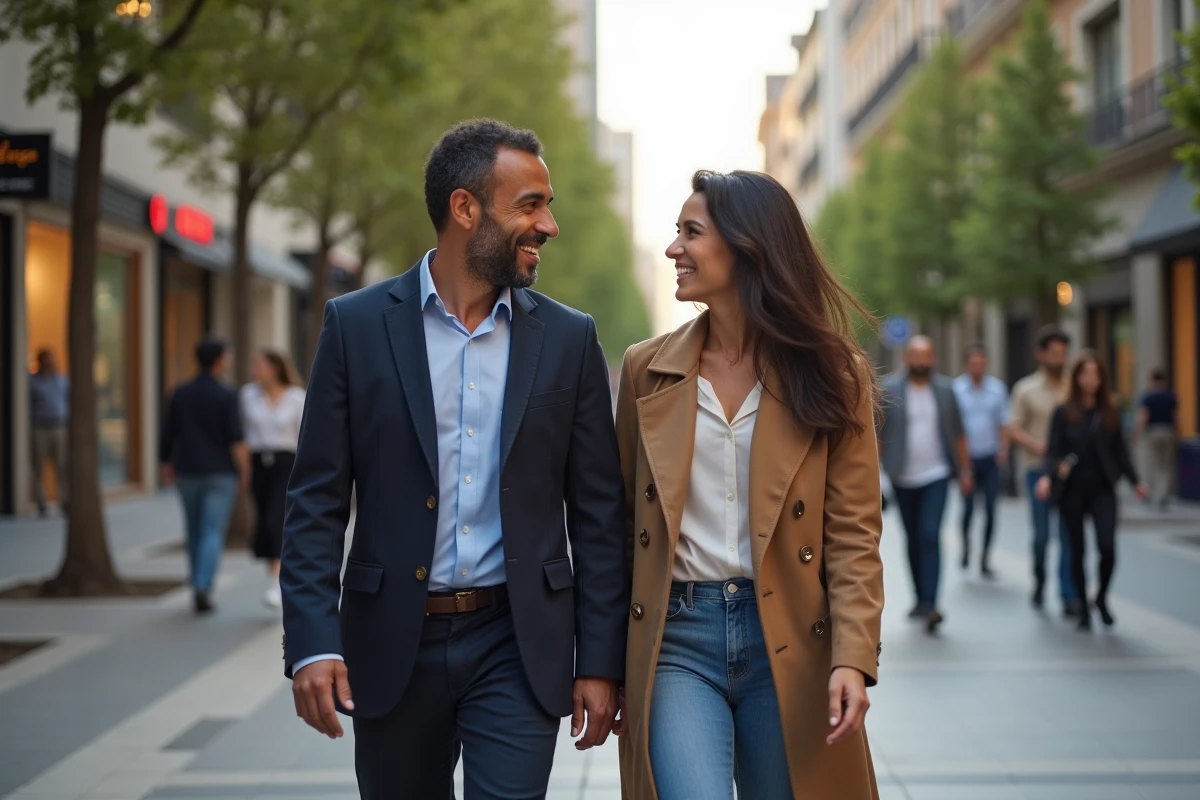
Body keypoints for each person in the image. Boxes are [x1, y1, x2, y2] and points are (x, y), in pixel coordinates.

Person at [281, 119, 628, 799]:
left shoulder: (568, 339)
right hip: (392, 645)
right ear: (465, 209)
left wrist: (600, 661)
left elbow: (598, 515)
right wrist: (314, 642)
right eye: (530, 205)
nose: (549, 225)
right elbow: (315, 499)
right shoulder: (355, 327)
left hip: (518, 641)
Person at [615, 170, 884, 800]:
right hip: (678, 638)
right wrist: (604, 666)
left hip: (790, 637)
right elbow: (621, 528)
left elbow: (852, 534)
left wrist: (853, 656)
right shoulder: (645, 370)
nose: (672, 249)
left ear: (745, 247)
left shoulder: (835, 375)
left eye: (691, 233)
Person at [1036, 351, 1148, 630]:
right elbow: (1053, 451)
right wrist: (1048, 477)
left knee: (1107, 546)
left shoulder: (1110, 410)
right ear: (1076, 378)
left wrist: (1136, 481)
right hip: (1073, 489)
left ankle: (1100, 597)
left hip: (1103, 488)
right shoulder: (1064, 411)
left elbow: (1121, 451)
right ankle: (1083, 609)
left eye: (1095, 374)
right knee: (1076, 550)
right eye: (1085, 373)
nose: (1090, 379)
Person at [879, 336, 971, 634]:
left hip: (937, 474)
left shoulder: (946, 391)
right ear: (907, 358)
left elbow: (958, 433)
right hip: (902, 476)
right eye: (916, 356)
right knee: (913, 537)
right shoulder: (890, 389)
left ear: (933, 358)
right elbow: (878, 435)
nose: (921, 361)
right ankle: (920, 597)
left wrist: (965, 469)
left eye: (926, 356)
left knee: (930, 534)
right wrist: (875, 476)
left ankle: (931, 603)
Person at [159, 337, 249, 614]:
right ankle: (203, 585)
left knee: (194, 530)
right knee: (212, 531)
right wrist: (245, 470)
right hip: (220, 472)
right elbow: (236, 437)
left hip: (187, 470)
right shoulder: (226, 395)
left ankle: (196, 583)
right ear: (220, 360)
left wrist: (165, 462)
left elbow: (168, 432)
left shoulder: (181, 393)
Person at [1010, 327, 1080, 615]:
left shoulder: (1072, 389)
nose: (1060, 358)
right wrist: (1038, 445)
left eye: (1063, 353)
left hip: (1066, 472)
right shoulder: (1025, 390)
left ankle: (1068, 594)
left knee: (1068, 534)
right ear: (1041, 354)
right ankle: (1039, 579)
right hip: (1037, 470)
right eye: (1054, 353)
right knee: (1041, 535)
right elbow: (1013, 428)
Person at [241, 351, 305, 609]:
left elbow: (304, 436)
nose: (255, 368)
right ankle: (275, 576)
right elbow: (243, 434)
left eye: (261, 364)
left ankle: (277, 581)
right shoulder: (247, 395)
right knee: (266, 520)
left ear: (276, 368)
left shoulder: (296, 397)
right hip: (259, 464)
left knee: (274, 519)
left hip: (286, 462)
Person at [952, 344, 1010, 578]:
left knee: (990, 510)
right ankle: (966, 546)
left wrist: (1003, 448)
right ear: (967, 364)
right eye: (973, 362)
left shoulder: (997, 389)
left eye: (981, 362)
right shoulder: (956, 390)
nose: (977, 366)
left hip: (990, 457)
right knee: (967, 510)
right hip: (968, 460)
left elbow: (1003, 422)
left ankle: (985, 558)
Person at [28, 348, 69, 516]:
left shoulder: (62, 381)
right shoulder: (32, 382)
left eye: (53, 359)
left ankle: (65, 501)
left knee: (62, 466)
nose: (51, 362)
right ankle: (41, 503)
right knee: (38, 466)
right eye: (47, 359)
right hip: (39, 428)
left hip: (59, 426)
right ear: (40, 361)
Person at [1134, 368, 1178, 510]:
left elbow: (1143, 416)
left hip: (1153, 432)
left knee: (1152, 463)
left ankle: (1151, 492)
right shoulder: (1170, 396)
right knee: (1165, 466)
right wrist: (1179, 433)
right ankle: (1162, 494)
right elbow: (1176, 416)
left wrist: (1137, 433)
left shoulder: (1148, 396)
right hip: (1168, 431)